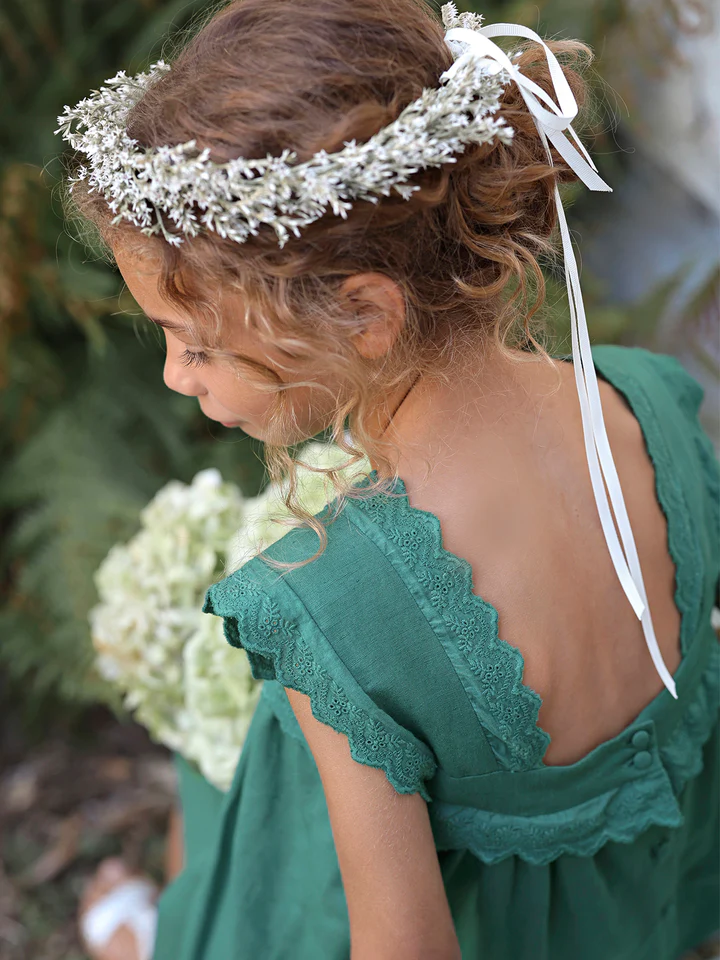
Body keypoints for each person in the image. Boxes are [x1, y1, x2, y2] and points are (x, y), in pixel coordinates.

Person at [57, 1, 719, 957]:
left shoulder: (337, 611)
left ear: (363, 314)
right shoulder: (653, 404)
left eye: (197, 344)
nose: (173, 376)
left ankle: (140, 939)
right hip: (629, 916)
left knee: (226, 800)